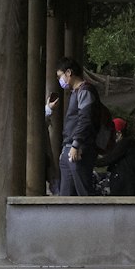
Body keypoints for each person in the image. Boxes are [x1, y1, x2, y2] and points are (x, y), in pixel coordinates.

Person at [56, 60, 100, 196]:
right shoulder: (75, 92)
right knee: (66, 194)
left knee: (83, 191)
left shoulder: (85, 90)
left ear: (69, 73)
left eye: (60, 76)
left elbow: (85, 120)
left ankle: (90, 216)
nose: (60, 80)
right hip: (69, 148)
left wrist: (76, 144)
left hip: (80, 147)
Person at [99, 116, 135, 196]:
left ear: (119, 133)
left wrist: (89, 161)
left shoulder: (125, 144)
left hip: (124, 188)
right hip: (127, 186)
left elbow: (108, 159)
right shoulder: (129, 144)